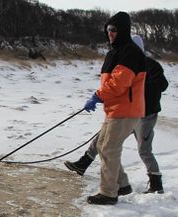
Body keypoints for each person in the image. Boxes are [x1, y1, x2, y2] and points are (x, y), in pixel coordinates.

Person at [64, 35, 168, 195]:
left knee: (144, 150)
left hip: (145, 115)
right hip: (125, 111)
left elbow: (162, 85)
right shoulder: (123, 64)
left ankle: (156, 184)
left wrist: (138, 88)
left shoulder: (151, 65)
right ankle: (83, 164)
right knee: (103, 138)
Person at [74, 12, 146, 205]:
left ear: (123, 30)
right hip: (115, 109)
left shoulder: (130, 52)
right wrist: (100, 98)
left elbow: (118, 84)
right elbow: (111, 82)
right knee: (102, 146)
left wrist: (97, 96)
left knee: (109, 149)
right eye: (108, 30)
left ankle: (108, 193)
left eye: (114, 30)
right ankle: (122, 185)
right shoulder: (116, 51)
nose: (110, 34)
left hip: (126, 110)